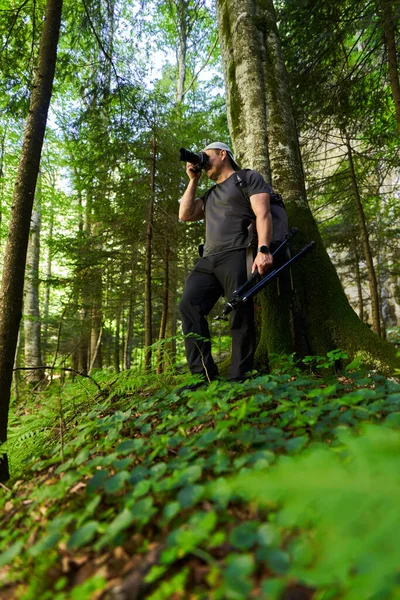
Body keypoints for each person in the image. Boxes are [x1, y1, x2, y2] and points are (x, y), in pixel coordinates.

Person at [178, 142, 274, 384]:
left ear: (223, 154)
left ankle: (238, 378)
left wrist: (263, 249)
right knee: (189, 304)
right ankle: (203, 377)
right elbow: (185, 214)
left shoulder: (247, 178)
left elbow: (263, 213)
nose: (203, 161)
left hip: (238, 252)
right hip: (209, 258)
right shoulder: (209, 195)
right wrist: (193, 180)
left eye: (206, 156)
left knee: (239, 313)